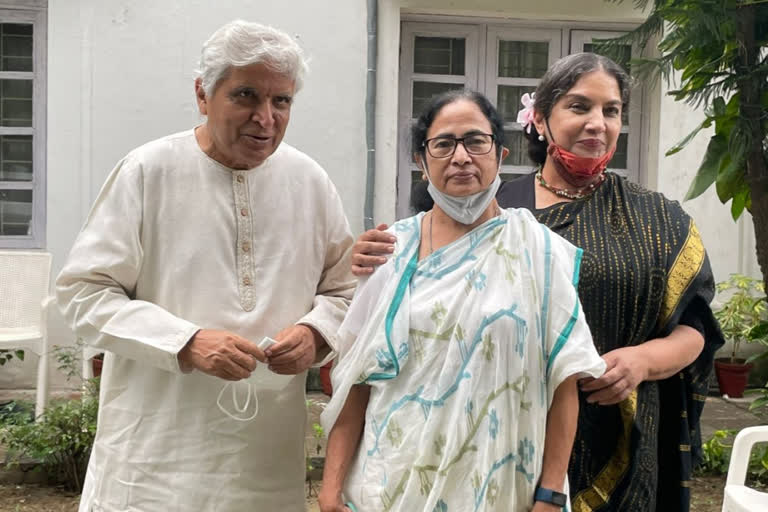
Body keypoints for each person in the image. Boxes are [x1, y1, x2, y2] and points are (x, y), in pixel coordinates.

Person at [350, 53, 723, 512]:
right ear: (541, 119)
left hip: (619, 443)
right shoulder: (490, 210)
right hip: (501, 446)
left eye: (611, 110)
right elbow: (421, 300)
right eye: (579, 107)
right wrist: (372, 256)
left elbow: (696, 332)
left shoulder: (657, 219)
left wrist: (643, 361)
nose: (597, 123)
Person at [56, 20, 356, 511]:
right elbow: (83, 293)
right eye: (246, 96)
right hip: (150, 464)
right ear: (202, 93)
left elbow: (346, 292)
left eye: (281, 101)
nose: (266, 118)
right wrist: (186, 342)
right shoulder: (148, 171)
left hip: (266, 463)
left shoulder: (310, 182)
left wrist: (317, 332)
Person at [319, 90, 606, 512]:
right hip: (393, 485)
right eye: (443, 144)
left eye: (476, 141)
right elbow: (358, 382)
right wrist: (330, 490)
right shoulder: (391, 253)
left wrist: (550, 493)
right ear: (422, 162)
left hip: (504, 488)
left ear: (500, 153)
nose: (461, 157)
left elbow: (563, 383)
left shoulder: (540, 252)